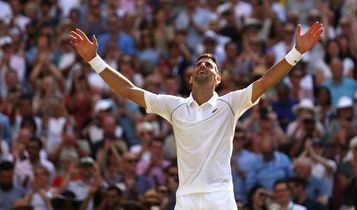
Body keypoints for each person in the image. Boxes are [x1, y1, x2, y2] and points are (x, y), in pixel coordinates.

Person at [69, 21, 323, 209]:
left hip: (220, 196)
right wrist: (94, 60)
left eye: (209, 65)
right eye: (198, 64)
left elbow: (266, 81)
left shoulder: (231, 104)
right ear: (190, 78)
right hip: (186, 199)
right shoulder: (173, 106)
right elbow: (128, 90)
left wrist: (296, 53)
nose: (203, 66)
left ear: (218, 78)